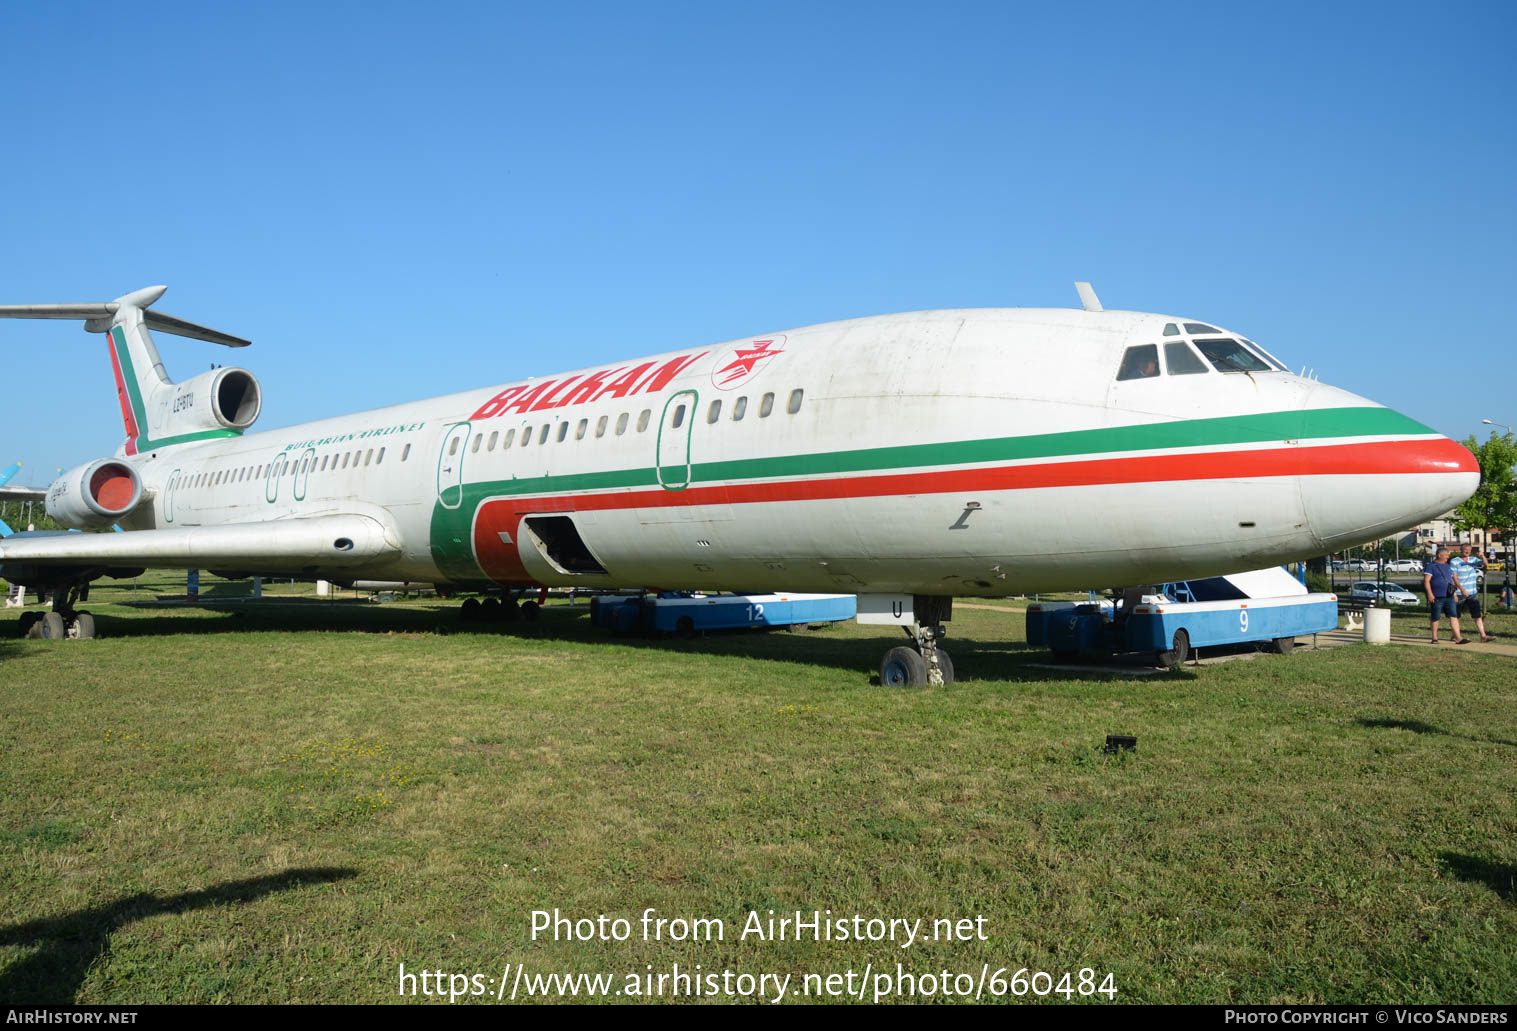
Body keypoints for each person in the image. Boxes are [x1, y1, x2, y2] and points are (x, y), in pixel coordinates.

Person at [1422, 547, 1470, 644]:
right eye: (1446, 555)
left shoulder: (1447, 566)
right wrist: (1430, 594)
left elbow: (1451, 581)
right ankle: (1434, 638)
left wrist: (1454, 594)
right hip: (1437, 597)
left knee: (1454, 616)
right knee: (1435, 617)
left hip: (1449, 596)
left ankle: (1458, 638)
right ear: (1440, 555)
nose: (1448, 557)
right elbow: (1426, 581)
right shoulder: (1431, 566)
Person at [1451, 543, 1493, 641]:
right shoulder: (1455, 561)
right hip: (1460, 593)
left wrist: (1482, 556)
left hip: (1472, 592)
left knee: (1477, 615)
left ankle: (1483, 635)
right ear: (1461, 550)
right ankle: (1455, 635)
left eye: (1469, 550)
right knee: (1456, 616)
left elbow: (1486, 564)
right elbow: (1454, 578)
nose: (1467, 551)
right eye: (1465, 549)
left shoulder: (1473, 560)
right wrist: (1461, 589)